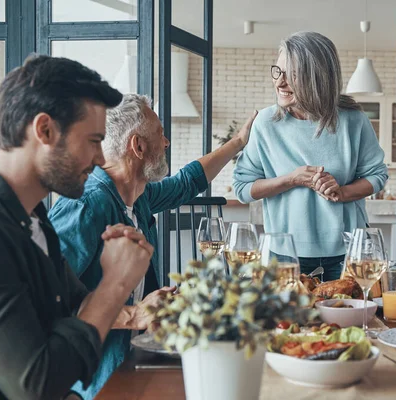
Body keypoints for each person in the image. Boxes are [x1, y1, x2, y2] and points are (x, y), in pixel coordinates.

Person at [48, 93, 256, 399]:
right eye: (160, 133)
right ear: (138, 146)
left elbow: (188, 182)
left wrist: (239, 141)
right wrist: (134, 314)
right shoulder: (85, 208)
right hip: (95, 382)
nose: (167, 142)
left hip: (134, 360)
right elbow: (46, 304)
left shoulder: (136, 195)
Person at [0, 55, 154, 400]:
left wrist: (137, 310)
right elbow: (35, 385)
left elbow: (77, 306)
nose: (100, 159)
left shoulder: (34, 217)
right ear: (45, 130)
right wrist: (117, 281)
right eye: (94, 141)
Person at [233, 31, 388, 281]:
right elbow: (243, 188)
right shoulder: (265, 123)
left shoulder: (353, 121)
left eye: (293, 75)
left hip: (347, 251)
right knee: (287, 321)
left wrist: (343, 191)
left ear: (318, 78)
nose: (280, 83)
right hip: (284, 255)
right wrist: (290, 179)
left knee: (348, 319)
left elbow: (377, 175)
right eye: (278, 71)